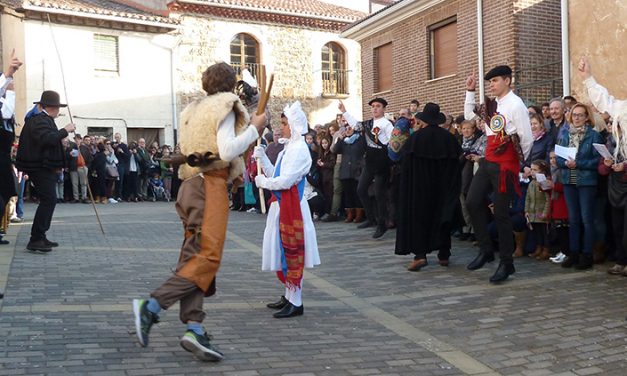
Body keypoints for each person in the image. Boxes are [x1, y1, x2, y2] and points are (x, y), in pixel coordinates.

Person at [132, 62, 267, 361]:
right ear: (232, 85)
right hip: (209, 186)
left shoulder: (194, 109)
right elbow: (228, 150)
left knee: (196, 256)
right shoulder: (226, 105)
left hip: (189, 185)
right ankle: (153, 305)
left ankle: (194, 327)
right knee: (208, 255)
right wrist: (255, 129)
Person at [463, 65, 533, 283]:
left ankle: (506, 263)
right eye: (490, 82)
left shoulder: (516, 104)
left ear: (507, 81)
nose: (491, 85)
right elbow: (469, 116)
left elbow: (526, 137)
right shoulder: (494, 105)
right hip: (489, 159)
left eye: (494, 81)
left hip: (505, 164)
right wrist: (470, 92)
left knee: (501, 214)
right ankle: (486, 250)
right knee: (473, 201)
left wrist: (517, 163)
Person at [253, 101, 320, 318]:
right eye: (281, 123)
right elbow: (276, 174)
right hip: (281, 206)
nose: (281, 127)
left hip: (293, 208)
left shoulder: (300, 149)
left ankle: (296, 300)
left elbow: (287, 181)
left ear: (295, 124)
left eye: (285, 123)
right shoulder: (288, 148)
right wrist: (262, 156)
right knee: (282, 249)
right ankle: (289, 295)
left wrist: (263, 182)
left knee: (292, 252)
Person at [395, 103, 462, 271]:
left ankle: (420, 256)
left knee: (420, 218)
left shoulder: (415, 138)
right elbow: (456, 165)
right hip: (443, 187)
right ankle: (444, 254)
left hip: (420, 188)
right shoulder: (449, 138)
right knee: (443, 216)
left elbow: (405, 164)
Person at [16, 90, 75, 252]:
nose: (59, 111)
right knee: (49, 200)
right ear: (53, 108)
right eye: (58, 108)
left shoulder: (43, 120)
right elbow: (46, 139)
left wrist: (60, 143)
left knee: (48, 200)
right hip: (40, 167)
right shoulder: (40, 120)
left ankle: (40, 236)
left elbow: (48, 140)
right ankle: (36, 238)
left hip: (42, 167)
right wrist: (65, 130)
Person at [555, 103, 602, 270]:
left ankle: (587, 254)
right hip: (569, 181)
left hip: (586, 182)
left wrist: (579, 163)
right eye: (574, 114)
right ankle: (573, 253)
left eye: (581, 115)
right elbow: (558, 158)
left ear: (586, 117)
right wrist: (566, 163)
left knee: (586, 219)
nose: (577, 118)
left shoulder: (594, 135)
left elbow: (598, 160)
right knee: (573, 219)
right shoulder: (565, 134)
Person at [339, 98, 394, 238]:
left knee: (380, 194)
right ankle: (370, 218)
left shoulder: (387, 125)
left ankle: (382, 224)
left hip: (381, 160)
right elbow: (356, 125)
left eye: (378, 106)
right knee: (361, 189)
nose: (375, 108)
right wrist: (344, 111)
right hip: (370, 160)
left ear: (383, 109)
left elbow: (392, 143)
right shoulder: (369, 123)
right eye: (373, 106)